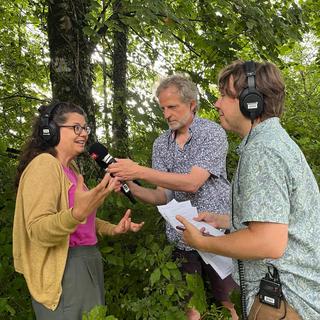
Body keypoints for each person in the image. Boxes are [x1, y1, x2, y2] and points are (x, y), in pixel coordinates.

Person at [176, 60, 320, 319]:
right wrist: (226, 221)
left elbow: (269, 242)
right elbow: (279, 220)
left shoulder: (262, 151)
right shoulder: (270, 142)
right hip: (289, 298)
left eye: (224, 96)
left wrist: (205, 241)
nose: (217, 104)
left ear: (251, 101)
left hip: (284, 301)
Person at [108, 74, 239, 319]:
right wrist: (131, 185)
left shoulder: (211, 133)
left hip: (216, 232)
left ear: (191, 105)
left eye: (172, 107)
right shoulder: (161, 144)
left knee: (230, 302)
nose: (167, 114)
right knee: (191, 308)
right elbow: (162, 196)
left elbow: (192, 182)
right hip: (182, 237)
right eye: (162, 108)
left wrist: (138, 169)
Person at [13, 101, 144, 320]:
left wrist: (113, 228)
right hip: (64, 268)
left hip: (87, 260)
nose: (83, 133)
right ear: (52, 130)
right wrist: (76, 214)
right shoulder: (44, 165)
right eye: (76, 127)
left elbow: (81, 218)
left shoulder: (70, 169)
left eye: (86, 128)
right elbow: (38, 230)